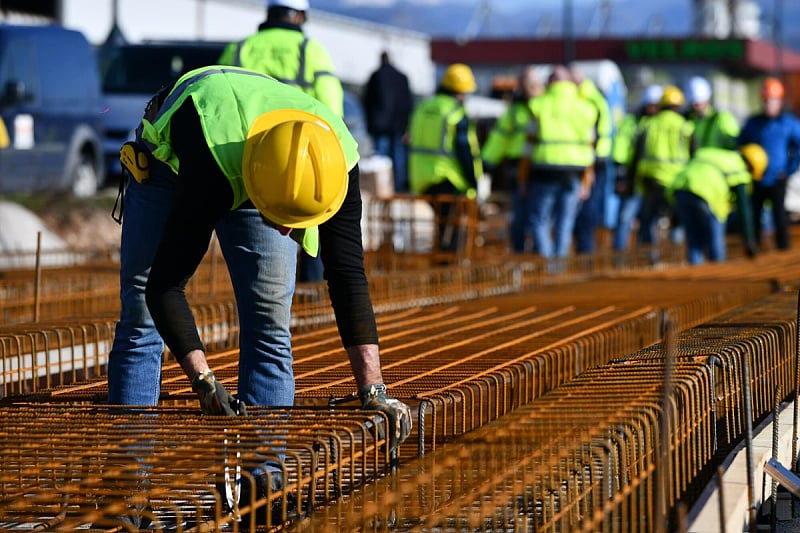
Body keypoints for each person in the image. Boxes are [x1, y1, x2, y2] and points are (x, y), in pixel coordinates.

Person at [106, 66, 412, 522]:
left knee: (270, 323)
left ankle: (262, 492)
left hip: (269, 155)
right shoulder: (209, 163)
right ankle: (126, 499)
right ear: (255, 186)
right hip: (176, 159)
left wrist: (373, 387)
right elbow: (164, 287)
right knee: (140, 318)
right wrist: (204, 383)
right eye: (279, 216)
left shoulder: (337, 161)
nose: (284, 230)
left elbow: (348, 277)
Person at [218, 0, 342, 282]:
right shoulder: (311, 51)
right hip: (296, 158)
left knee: (249, 239)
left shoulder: (239, 49)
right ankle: (309, 289)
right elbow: (332, 110)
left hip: (241, 157)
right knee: (306, 224)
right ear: (299, 16)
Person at [517, 65, 598, 260]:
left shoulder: (538, 105)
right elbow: (590, 148)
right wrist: (587, 180)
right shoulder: (585, 108)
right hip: (574, 172)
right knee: (565, 221)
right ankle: (559, 266)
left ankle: (546, 263)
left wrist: (522, 178)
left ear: (550, 82)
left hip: (544, 170)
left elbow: (528, 148)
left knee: (539, 220)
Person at [408, 63, 483, 260]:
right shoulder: (456, 114)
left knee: (441, 227)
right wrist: (474, 182)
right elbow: (465, 152)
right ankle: (448, 270)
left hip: (421, 179)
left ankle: (441, 264)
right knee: (453, 231)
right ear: (459, 92)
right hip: (449, 179)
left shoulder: (423, 107)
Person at [668, 144, 765, 265]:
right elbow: (744, 210)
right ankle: (718, 270)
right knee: (715, 238)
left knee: (694, 239)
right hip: (707, 194)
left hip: (681, 189)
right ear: (752, 167)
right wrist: (749, 241)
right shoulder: (740, 169)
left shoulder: (717, 153)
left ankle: (696, 270)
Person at [630, 85, 695, 263]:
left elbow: (636, 155)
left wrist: (631, 182)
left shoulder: (648, 124)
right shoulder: (686, 127)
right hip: (678, 182)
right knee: (678, 221)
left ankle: (652, 258)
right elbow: (693, 156)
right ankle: (677, 257)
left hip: (652, 180)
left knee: (649, 221)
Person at [481, 65, 542, 253]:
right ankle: (520, 254)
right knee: (520, 216)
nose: (529, 89)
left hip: (542, 168)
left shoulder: (545, 107)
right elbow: (499, 138)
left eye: (532, 85)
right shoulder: (514, 111)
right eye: (526, 85)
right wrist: (486, 162)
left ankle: (539, 256)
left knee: (539, 217)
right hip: (518, 168)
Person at [738, 77, 800, 251]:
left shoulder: (788, 123)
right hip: (756, 178)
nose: (768, 105)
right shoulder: (753, 123)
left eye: (771, 101)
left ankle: (783, 249)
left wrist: (789, 169)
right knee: (754, 215)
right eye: (765, 101)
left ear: (779, 101)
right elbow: (740, 144)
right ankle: (754, 248)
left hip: (778, 178)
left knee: (780, 216)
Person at [611, 84, 662, 252]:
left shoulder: (661, 124)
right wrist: (621, 176)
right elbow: (620, 148)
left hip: (652, 179)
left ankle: (648, 256)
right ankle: (619, 257)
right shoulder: (631, 122)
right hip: (633, 179)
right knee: (625, 219)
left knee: (651, 221)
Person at [571, 67, 613, 255]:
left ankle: (584, 252)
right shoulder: (593, 98)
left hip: (591, 162)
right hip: (591, 160)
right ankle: (583, 251)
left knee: (586, 210)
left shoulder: (585, 100)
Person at [363, 50, 413, 192]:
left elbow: (367, 101)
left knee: (380, 161)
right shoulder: (402, 78)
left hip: (380, 125)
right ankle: (398, 189)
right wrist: (406, 126)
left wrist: (370, 124)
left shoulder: (376, 76)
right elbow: (408, 104)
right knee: (398, 160)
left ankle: (382, 189)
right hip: (398, 126)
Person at [683, 76, 740, 150]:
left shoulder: (723, 119)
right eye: (692, 103)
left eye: (698, 103)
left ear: (707, 99)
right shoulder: (688, 121)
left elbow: (734, 144)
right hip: (697, 161)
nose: (695, 106)